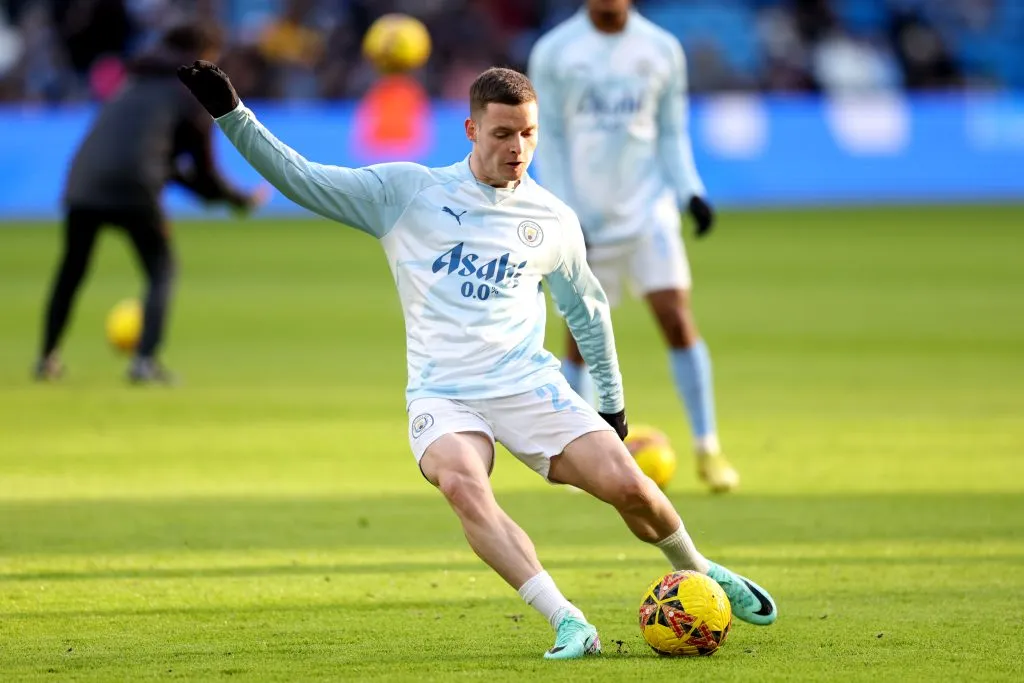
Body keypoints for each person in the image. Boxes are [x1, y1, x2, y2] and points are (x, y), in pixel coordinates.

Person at [175, 59, 777, 659]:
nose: (518, 149)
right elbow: (300, 176)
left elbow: (588, 313)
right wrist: (232, 113)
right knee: (464, 486)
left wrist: (613, 405)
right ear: (470, 130)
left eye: (528, 134)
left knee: (631, 487)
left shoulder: (553, 220)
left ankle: (701, 569)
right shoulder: (407, 193)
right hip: (443, 394)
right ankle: (568, 621)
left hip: (527, 385)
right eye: (503, 134)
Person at [528, 0, 739, 492]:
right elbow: (550, 137)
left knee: (677, 319)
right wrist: (563, 210)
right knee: (580, 340)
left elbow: (670, 131)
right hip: (586, 217)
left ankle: (708, 448)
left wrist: (690, 190)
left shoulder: (661, 49)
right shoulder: (555, 51)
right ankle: (576, 457)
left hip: (649, 213)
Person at [34, 22, 267, 384]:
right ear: (205, 53)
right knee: (161, 269)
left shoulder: (131, 82)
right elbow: (201, 172)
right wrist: (239, 199)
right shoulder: (190, 92)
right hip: (135, 186)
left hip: (82, 183)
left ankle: (46, 358)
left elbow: (169, 167)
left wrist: (220, 196)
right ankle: (144, 362)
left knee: (71, 270)